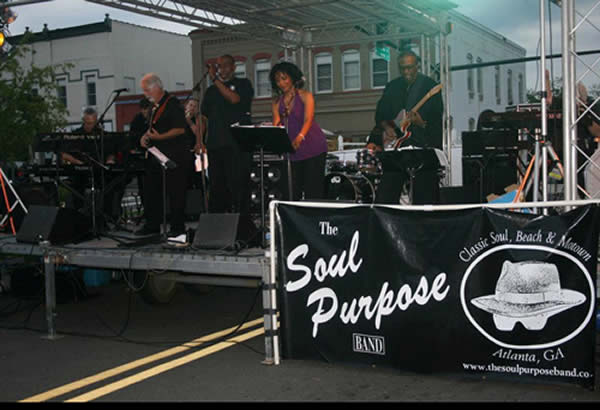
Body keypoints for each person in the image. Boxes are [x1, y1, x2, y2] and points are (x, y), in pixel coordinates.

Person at [370, 50, 444, 204]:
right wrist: (387, 127)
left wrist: (421, 123)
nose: (406, 72)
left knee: (424, 198)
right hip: (396, 149)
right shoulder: (392, 87)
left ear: (417, 66)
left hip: (421, 148)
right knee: (385, 197)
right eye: (403, 68)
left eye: (409, 67)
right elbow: (380, 114)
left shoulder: (429, 86)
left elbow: (436, 120)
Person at [136, 73, 193, 237]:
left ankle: (177, 228)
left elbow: (180, 129)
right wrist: (145, 137)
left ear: (157, 88)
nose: (145, 94)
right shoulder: (154, 107)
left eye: (147, 90)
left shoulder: (173, 104)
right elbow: (154, 128)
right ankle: (152, 225)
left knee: (176, 193)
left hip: (175, 156)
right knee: (151, 191)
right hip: (157, 156)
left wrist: (159, 137)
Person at [199, 54, 253, 214]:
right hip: (215, 144)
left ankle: (241, 220)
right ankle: (218, 222)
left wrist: (215, 79)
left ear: (233, 67)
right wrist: (199, 140)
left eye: (224, 65)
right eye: (218, 66)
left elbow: (234, 99)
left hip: (236, 145)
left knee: (238, 185)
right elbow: (204, 117)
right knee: (217, 187)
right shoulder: (211, 91)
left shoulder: (243, 84)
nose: (221, 69)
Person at [270, 61, 328, 201]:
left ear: (292, 77)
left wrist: (299, 137)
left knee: (312, 191)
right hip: (292, 151)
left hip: (313, 147)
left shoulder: (305, 96)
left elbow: (308, 119)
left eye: (284, 78)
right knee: (292, 191)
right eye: (277, 80)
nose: (281, 83)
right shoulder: (277, 102)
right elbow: (277, 124)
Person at [60, 107, 118, 224]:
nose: (89, 126)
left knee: (112, 185)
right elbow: (63, 153)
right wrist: (78, 162)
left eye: (92, 123)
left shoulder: (103, 135)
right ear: (83, 121)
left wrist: (110, 161)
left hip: (100, 171)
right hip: (79, 171)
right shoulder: (75, 135)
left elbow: (112, 152)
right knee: (76, 188)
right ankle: (79, 218)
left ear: (97, 121)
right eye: (87, 123)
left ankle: (107, 218)